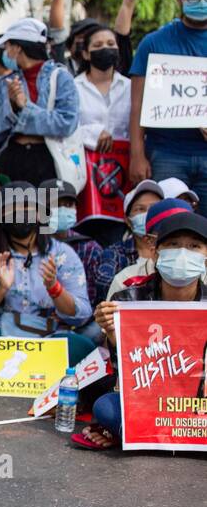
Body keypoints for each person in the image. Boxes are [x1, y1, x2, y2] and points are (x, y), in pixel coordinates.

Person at [81, 206, 207, 449]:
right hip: (148, 401)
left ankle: (142, 436)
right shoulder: (128, 299)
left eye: (194, 246)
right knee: (106, 407)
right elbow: (122, 370)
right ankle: (167, 437)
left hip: (197, 404)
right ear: (155, 252)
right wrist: (111, 332)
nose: (183, 253)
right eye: (173, 245)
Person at [0, 181, 94, 366]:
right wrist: (0, 291)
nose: (20, 213)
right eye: (12, 209)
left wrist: (55, 289)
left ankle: (21, 366)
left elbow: (82, 314)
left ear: (39, 214)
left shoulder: (62, 254)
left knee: (83, 346)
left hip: (49, 339)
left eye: (27, 207)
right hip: (1, 338)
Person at [129, 0, 207, 196]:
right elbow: (137, 106)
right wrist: (137, 154)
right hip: (165, 154)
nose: (201, 2)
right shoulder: (153, 44)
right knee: (166, 225)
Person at [0, 17, 80, 187]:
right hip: (11, 159)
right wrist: (12, 108)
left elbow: (67, 123)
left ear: (17, 48)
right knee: (10, 212)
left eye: (7, 47)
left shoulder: (60, 77)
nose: (5, 53)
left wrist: (25, 107)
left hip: (48, 160)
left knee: (46, 212)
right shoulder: (4, 83)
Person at [41, 178, 104, 313]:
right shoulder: (30, 245)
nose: (62, 210)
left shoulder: (90, 248)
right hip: (36, 320)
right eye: (55, 205)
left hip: (79, 319)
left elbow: (95, 298)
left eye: (69, 205)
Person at [97, 181, 166, 299]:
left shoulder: (177, 249)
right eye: (140, 209)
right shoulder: (114, 254)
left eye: (154, 208)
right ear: (128, 221)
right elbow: (105, 286)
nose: (148, 214)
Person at [74, 26, 130, 152]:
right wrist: (94, 134)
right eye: (98, 45)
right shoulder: (74, 88)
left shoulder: (129, 87)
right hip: (84, 160)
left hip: (124, 160)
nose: (105, 48)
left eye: (110, 44)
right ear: (86, 54)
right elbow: (67, 128)